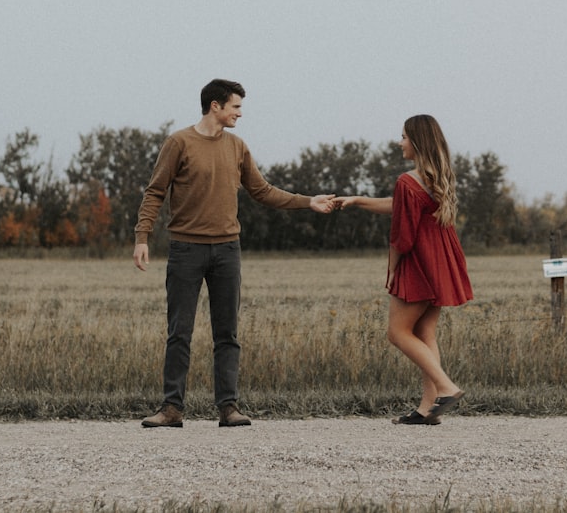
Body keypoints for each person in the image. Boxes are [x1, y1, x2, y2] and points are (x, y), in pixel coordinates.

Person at [134, 79, 335, 428]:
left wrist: (308, 202)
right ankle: (171, 409)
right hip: (185, 249)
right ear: (215, 106)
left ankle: (229, 408)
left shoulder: (238, 146)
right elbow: (155, 192)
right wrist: (142, 237)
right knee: (179, 331)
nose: (240, 113)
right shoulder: (179, 143)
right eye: (235, 107)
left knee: (227, 333)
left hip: (228, 249)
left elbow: (263, 191)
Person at [335, 114, 473, 425]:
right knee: (424, 333)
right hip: (442, 261)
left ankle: (447, 387)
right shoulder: (437, 176)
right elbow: (399, 203)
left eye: (404, 137)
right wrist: (358, 200)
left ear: (417, 142)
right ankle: (428, 409)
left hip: (419, 262)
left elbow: (402, 236)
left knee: (397, 333)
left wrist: (394, 269)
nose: (400, 143)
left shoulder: (408, 180)